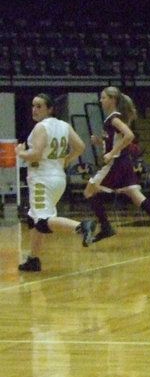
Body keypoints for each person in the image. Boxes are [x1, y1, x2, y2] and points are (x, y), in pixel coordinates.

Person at [84, 86, 150, 249]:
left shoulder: (114, 119)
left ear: (112, 100)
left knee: (89, 191)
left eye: (103, 97)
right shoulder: (113, 118)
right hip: (124, 163)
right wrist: (100, 142)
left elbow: (129, 136)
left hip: (116, 164)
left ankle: (105, 227)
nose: (100, 100)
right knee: (136, 196)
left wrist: (112, 153)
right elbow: (117, 140)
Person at [16, 93, 95, 272]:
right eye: (33, 105)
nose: (34, 109)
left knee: (42, 220)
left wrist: (20, 152)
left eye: (39, 106)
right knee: (33, 218)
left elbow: (36, 154)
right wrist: (67, 160)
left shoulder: (41, 127)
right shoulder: (64, 125)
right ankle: (33, 259)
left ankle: (81, 227)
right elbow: (80, 147)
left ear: (50, 109)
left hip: (42, 179)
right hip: (58, 177)